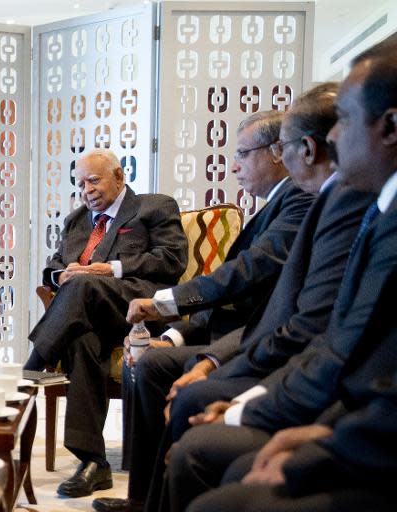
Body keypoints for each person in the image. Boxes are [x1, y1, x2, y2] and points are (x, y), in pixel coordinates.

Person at [162, 36, 397, 512]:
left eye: (345, 120)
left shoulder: (340, 203)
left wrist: (255, 406)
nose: (334, 136)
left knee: (207, 462)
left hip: (352, 427)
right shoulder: (349, 203)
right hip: (329, 401)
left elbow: (325, 337)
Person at [93, 111, 316, 512]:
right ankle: (143, 497)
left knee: (156, 370)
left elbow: (243, 277)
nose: (233, 165)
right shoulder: (275, 206)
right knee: (148, 362)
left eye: (243, 154)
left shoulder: (299, 203)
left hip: (250, 340)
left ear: (278, 153)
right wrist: (173, 334)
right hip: (227, 330)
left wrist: (164, 304)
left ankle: (155, 500)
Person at [25, 148, 189, 497]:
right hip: (87, 314)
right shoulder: (76, 221)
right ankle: (93, 462)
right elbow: (52, 268)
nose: (87, 190)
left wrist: (111, 269)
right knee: (81, 339)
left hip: (138, 309)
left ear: (119, 176)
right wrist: (59, 276)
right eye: (81, 183)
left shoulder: (154, 207)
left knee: (84, 283)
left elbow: (172, 261)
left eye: (94, 180)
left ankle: (34, 366)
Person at [188, 367, 397, 512]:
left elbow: (331, 361)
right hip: (351, 420)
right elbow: (317, 351)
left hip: (376, 453)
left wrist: (321, 447)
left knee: (205, 465)